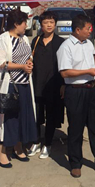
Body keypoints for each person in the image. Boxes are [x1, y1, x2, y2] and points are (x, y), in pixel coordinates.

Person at [57, 14, 95, 178]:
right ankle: (75, 163)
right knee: (76, 129)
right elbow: (65, 72)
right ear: (78, 30)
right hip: (75, 91)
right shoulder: (66, 47)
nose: (90, 31)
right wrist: (87, 71)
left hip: (91, 90)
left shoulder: (88, 44)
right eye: (87, 28)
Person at [0, 9, 38, 168]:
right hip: (9, 85)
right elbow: (1, 63)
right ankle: (2, 152)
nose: (26, 25)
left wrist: (29, 62)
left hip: (24, 84)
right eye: (24, 23)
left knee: (23, 117)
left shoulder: (24, 38)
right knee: (8, 119)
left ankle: (18, 147)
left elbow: (28, 55)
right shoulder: (2, 39)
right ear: (16, 24)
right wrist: (22, 67)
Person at [30, 11, 65, 159]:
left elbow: (64, 65)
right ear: (41, 25)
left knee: (51, 115)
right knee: (36, 115)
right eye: (45, 22)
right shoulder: (36, 41)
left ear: (55, 24)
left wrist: (63, 84)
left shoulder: (61, 42)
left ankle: (48, 144)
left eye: (51, 22)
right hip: (37, 83)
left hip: (54, 85)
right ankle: (36, 141)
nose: (49, 25)